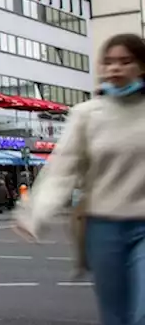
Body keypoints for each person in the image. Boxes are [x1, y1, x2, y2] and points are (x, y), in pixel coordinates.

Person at [16, 33, 145, 325]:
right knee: (116, 316)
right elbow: (63, 169)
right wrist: (36, 213)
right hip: (103, 227)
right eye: (109, 62)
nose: (115, 68)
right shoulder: (87, 115)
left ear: (141, 66)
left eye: (125, 61)